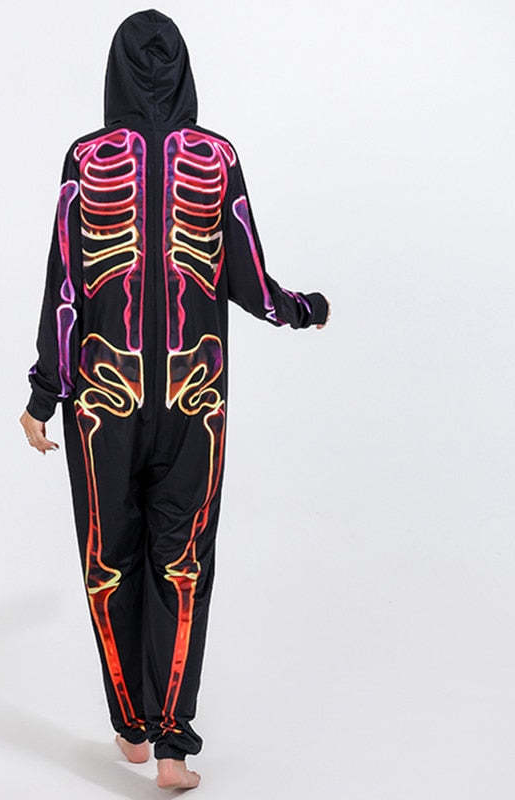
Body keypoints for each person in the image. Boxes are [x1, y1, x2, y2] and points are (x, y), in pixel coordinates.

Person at [19, 8, 331, 790]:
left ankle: (131, 725)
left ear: (115, 73)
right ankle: (170, 747)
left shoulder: (86, 157)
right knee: (182, 565)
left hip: (104, 399)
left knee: (109, 561)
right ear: (185, 72)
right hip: (196, 397)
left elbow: (66, 285)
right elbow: (248, 277)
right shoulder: (216, 156)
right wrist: (304, 309)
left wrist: (44, 394)